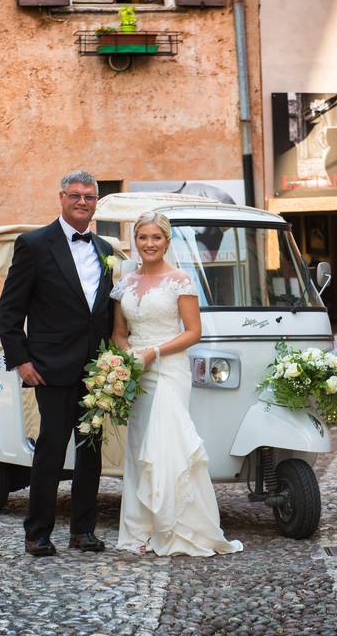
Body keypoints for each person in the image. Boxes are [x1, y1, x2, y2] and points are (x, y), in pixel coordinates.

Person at [0, 171, 117, 557]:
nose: (83, 202)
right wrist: (21, 361)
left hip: (97, 370)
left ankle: (83, 531)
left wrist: (113, 362)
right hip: (49, 366)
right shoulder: (33, 244)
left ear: (96, 202)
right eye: (76, 195)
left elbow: (105, 310)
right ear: (62, 197)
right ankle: (38, 533)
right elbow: (10, 311)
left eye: (90, 197)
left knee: (91, 452)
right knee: (50, 450)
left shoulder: (105, 248)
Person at [111, 211, 243, 557]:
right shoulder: (125, 283)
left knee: (167, 445)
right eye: (143, 237)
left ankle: (175, 527)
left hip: (169, 369)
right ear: (134, 241)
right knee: (141, 449)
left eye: (156, 238)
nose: (149, 244)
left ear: (167, 242)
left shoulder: (180, 280)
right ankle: (140, 530)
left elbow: (193, 332)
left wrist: (153, 352)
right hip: (137, 373)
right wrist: (128, 359)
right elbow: (119, 334)